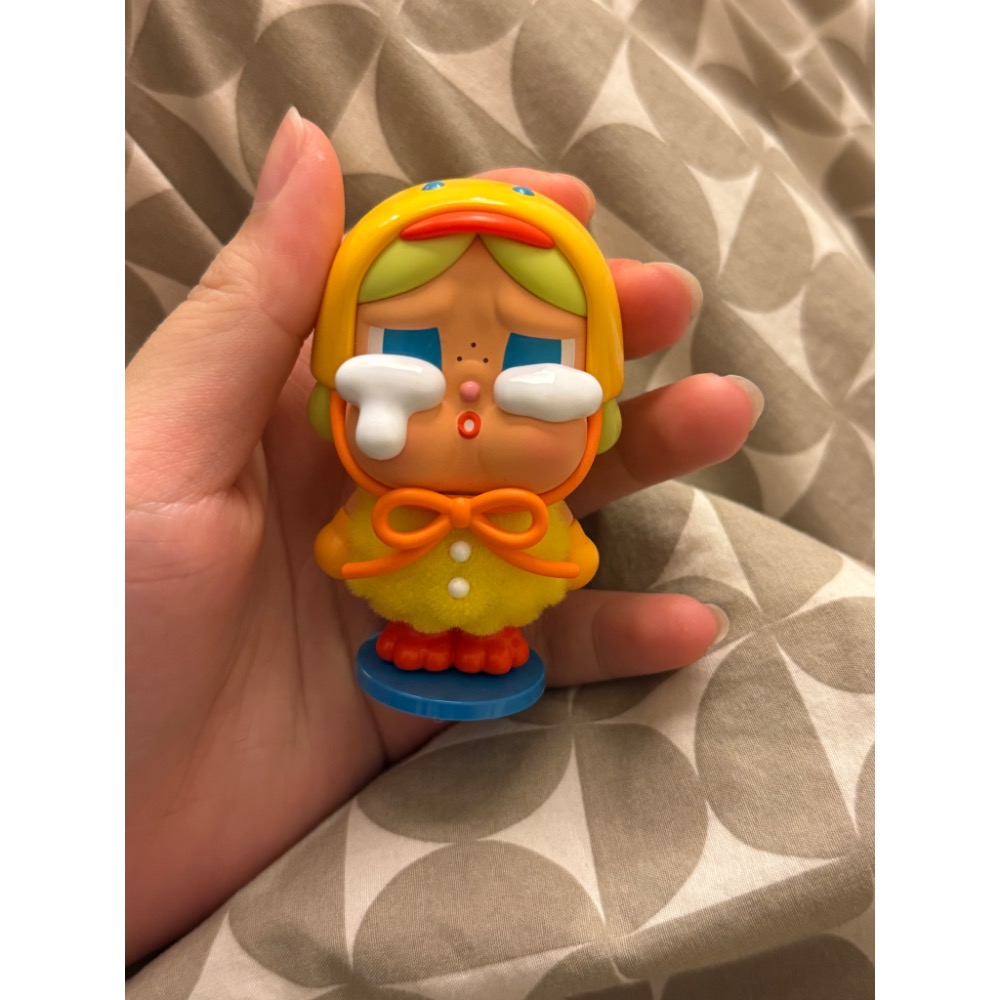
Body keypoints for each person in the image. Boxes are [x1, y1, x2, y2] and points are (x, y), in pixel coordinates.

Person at [125, 109, 763, 964]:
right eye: (412, 342)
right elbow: (342, 547)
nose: (469, 385)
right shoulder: (378, 489)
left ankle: (489, 645)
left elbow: (570, 557)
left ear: (598, 403)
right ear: (335, 389)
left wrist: (562, 554)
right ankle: (421, 642)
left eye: (526, 354)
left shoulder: (537, 502)